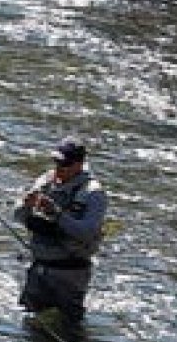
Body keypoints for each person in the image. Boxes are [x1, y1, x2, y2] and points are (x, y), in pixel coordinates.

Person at [14, 136, 108, 327]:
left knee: (69, 329)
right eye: (56, 162)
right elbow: (17, 216)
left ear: (79, 164)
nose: (58, 169)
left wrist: (56, 214)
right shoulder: (46, 181)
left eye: (64, 164)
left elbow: (86, 232)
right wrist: (26, 205)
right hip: (38, 270)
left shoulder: (93, 194)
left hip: (70, 274)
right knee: (29, 324)